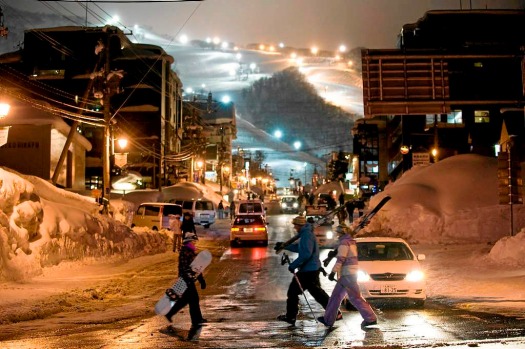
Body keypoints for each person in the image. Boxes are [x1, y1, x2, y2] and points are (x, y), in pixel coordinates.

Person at [276, 215, 340, 326]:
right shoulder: (306, 234)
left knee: (293, 292)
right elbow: (300, 248)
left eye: (295, 225)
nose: (294, 228)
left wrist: (293, 265)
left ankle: (291, 316)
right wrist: (285, 246)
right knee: (317, 293)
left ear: (299, 225)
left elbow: (306, 253)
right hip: (310, 269)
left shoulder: (306, 235)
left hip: (308, 271)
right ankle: (335, 313)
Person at [317, 224, 377, 329]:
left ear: (341, 233)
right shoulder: (351, 242)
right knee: (336, 297)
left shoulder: (344, 243)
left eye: (338, 233)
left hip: (348, 274)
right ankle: (328, 319)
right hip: (348, 274)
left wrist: (333, 272)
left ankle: (370, 318)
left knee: (355, 297)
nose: (337, 235)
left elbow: (341, 259)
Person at [164, 233, 207, 327]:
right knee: (192, 299)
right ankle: (196, 320)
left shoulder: (189, 251)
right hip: (186, 280)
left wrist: (200, 279)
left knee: (188, 299)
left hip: (187, 279)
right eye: (193, 241)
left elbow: (196, 267)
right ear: (189, 241)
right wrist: (198, 279)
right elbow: (189, 267)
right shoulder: (186, 252)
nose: (194, 243)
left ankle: (196, 318)